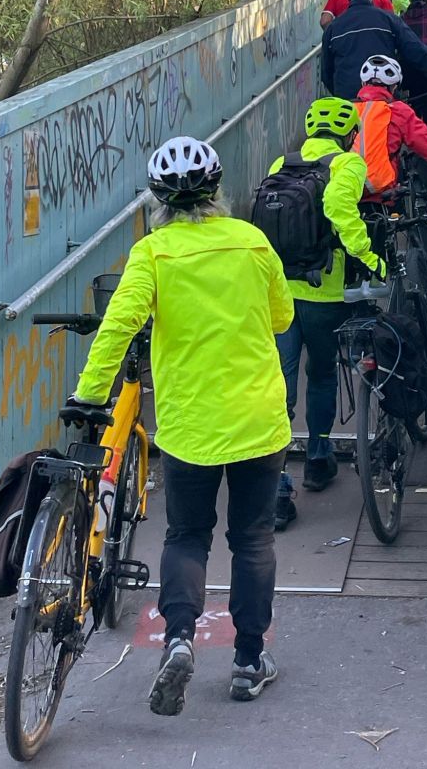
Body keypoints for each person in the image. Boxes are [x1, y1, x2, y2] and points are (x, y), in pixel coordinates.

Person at [68, 136, 294, 714]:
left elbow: (119, 327)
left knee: (187, 536)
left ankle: (178, 641)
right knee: (252, 538)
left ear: (157, 200)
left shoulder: (154, 253)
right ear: (217, 191)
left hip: (191, 425)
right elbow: (281, 316)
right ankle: (248, 662)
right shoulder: (253, 242)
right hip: (258, 420)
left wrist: (90, 397)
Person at [270, 98, 385, 526]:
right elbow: (339, 209)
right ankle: (318, 458)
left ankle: (277, 487)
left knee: (280, 384)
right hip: (323, 292)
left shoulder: (285, 161)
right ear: (351, 133)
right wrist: (369, 255)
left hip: (280, 290)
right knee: (320, 375)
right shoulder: (348, 164)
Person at [320, 0, 427, 101]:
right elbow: (419, 53)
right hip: (382, 100)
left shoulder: (333, 29)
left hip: (348, 102)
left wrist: (343, 94)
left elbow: (326, 74)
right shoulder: (389, 20)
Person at [354, 55, 427, 204]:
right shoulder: (397, 111)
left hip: (346, 188)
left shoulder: (346, 109)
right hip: (381, 190)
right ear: (394, 87)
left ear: (363, 83)